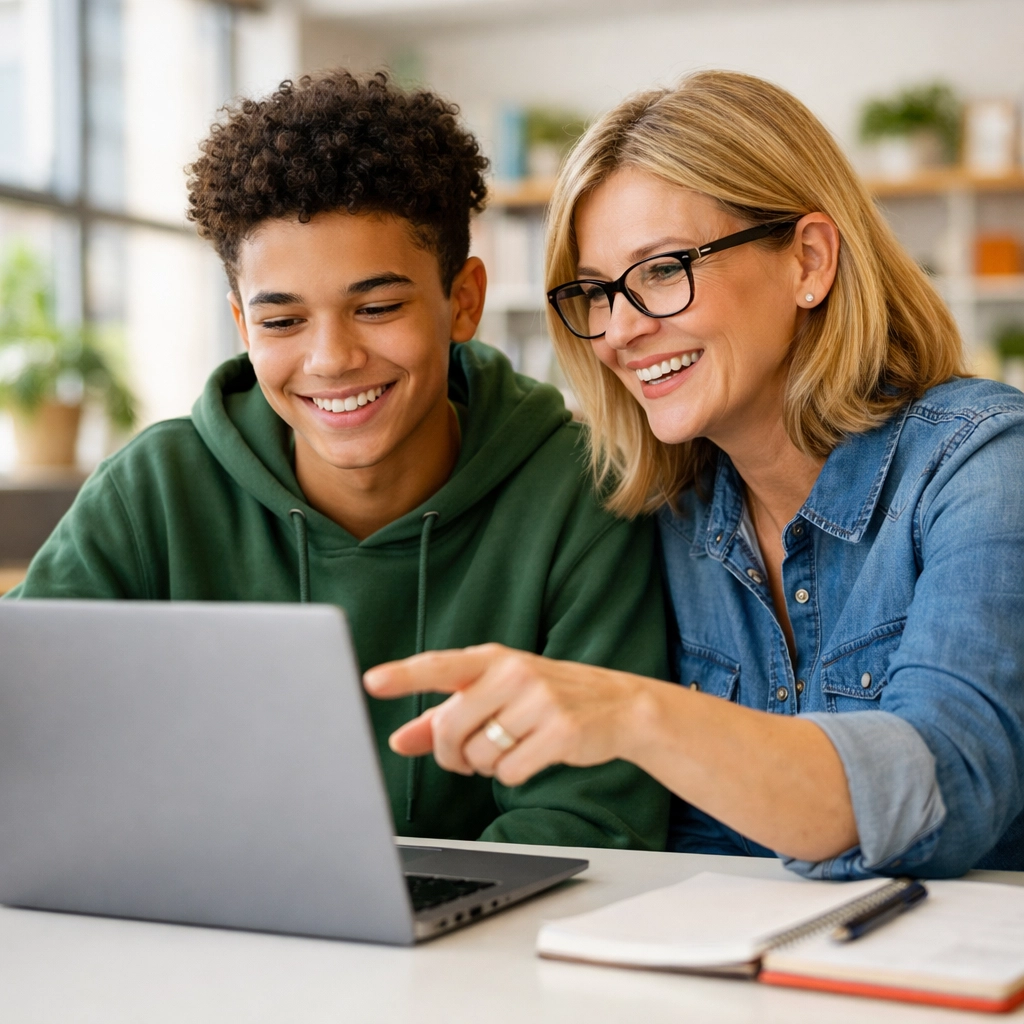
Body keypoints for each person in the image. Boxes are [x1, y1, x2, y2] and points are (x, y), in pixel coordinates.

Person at [365, 70, 1024, 878]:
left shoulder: (983, 467)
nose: (620, 332)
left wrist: (637, 714)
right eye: (597, 292)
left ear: (809, 261)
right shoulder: (664, 514)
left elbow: (947, 786)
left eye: (663, 269)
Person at [6, 72, 671, 851]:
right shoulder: (151, 492)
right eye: (282, 320)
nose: (331, 359)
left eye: (377, 307)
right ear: (242, 326)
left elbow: (591, 825)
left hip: (493, 925)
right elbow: (24, 731)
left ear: (463, 301)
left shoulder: (584, 492)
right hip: (195, 910)